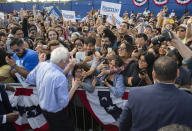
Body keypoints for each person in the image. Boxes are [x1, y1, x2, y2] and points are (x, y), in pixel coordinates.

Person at [119, 56, 192, 131]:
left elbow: (124, 124)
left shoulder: (135, 94)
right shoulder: (189, 100)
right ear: (178, 73)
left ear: (153, 75)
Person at [25, 47, 80, 131]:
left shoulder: (42, 65)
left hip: (44, 110)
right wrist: (74, 87)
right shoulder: (59, 77)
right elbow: (64, 103)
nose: (68, 62)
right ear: (61, 61)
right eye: (67, 60)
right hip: (57, 114)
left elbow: (29, 79)